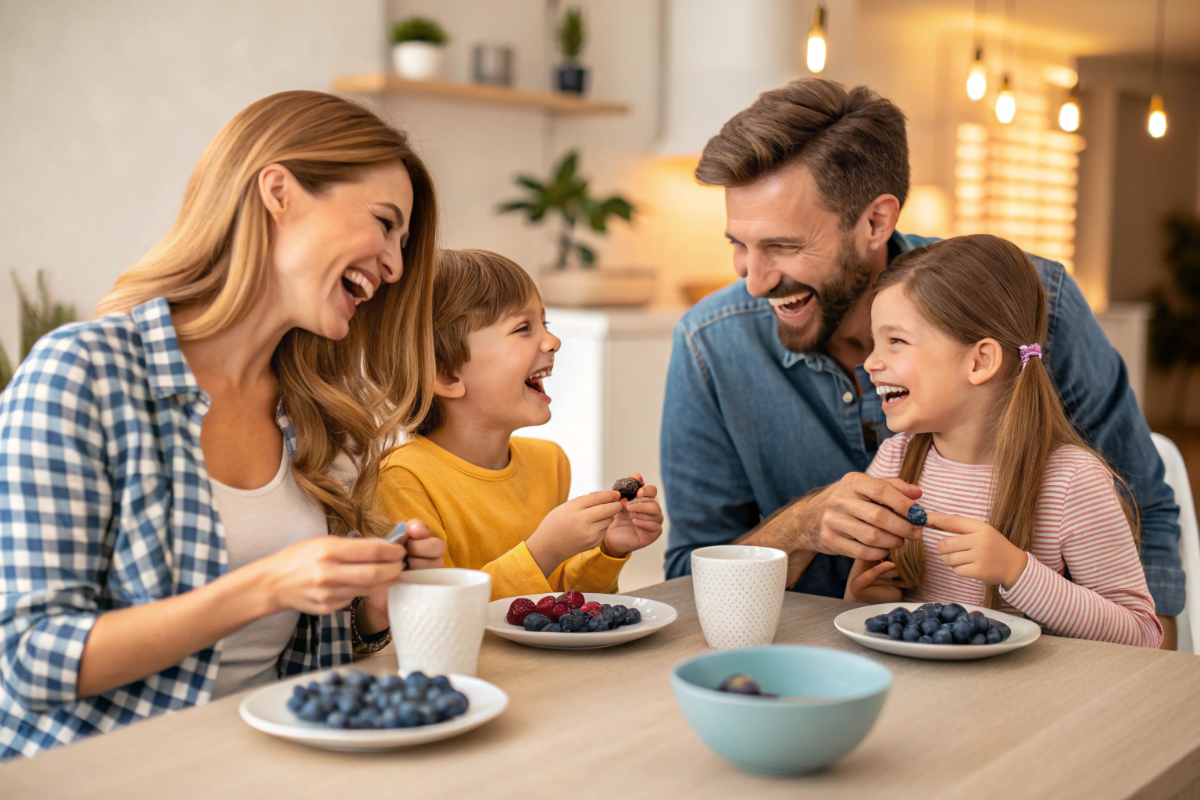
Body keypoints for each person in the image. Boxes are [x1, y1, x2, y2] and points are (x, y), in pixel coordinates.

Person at [0, 91, 447, 760]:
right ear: (278, 192)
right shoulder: (83, 373)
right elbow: (27, 658)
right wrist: (265, 585)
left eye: (404, 243)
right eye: (384, 224)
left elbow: (312, 663)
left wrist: (370, 610)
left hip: (276, 763)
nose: (395, 265)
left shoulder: (320, 415)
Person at [660, 78, 1184, 643]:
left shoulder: (1032, 305)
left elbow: (1145, 524)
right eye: (738, 244)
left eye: (783, 246)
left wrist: (1153, 693)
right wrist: (803, 525)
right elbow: (693, 579)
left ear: (876, 222)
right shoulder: (708, 342)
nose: (755, 280)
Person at [844, 235, 1161, 647]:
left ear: (980, 361)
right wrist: (862, 600)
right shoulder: (893, 461)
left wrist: (1018, 572)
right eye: (874, 342)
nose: (870, 362)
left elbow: (1142, 635)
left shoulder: (1071, 482)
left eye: (896, 341)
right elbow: (869, 613)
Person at [376, 249, 664, 600]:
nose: (553, 341)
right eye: (523, 328)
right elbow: (438, 610)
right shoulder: (402, 481)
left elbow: (554, 605)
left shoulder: (549, 463)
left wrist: (608, 549)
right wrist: (544, 549)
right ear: (448, 374)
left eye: (546, 324)